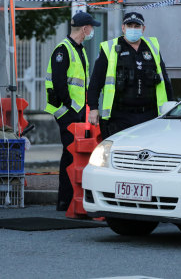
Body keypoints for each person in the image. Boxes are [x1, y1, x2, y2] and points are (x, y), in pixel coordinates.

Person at [45, 11, 101, 211]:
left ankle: (68, 199)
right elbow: (59, 84)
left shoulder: (79, 49)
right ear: (85, 29)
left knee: (71, 154)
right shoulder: (63, 50)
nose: (92, 30)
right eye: (91, 27)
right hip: (66, 111)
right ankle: (66, 200)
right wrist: (69, 107)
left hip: (77, 111)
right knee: (70, 154)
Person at [88, 12, 173, 139]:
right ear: (123, 28)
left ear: (143, 29)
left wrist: (171, 106)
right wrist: (93, 108)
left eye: (137, 26)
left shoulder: (152, 47)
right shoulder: (110, 48)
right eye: (130, 25)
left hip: (149, 115)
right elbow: (95, 82)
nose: (133, 29)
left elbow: (164, 79)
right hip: (120, 116)